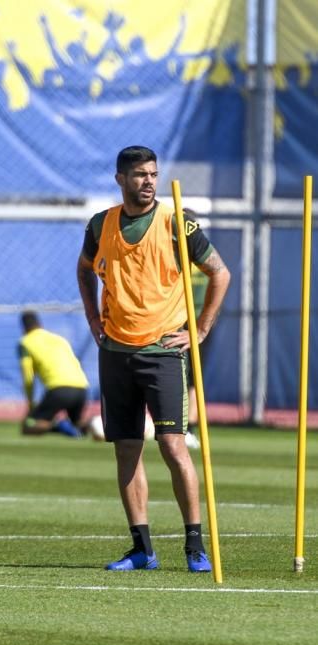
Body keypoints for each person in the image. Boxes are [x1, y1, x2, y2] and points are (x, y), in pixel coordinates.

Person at [76, 145, 230, 572]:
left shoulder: (177, 221)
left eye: (153, 174)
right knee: (126, 449)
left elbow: (220, 272)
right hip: (115, 351)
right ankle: (142, 548)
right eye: (140, 174)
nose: (148, 181)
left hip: (162, 350)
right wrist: (93, 316)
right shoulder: (99, 224)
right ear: (120, 179)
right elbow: (85, 267)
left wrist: (199, 330)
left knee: (172, 445)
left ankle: (195, 546)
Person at [18, 311, 88, 437]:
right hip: (81, 386)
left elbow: (28, 377)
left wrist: (30, 403)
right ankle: (95, 425)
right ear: (39, 324)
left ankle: (58, 426)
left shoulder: (25, 342)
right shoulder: (59, 339)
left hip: (58, 388)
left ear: (23, 327)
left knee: (27, 427)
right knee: (79, 424)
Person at [185, 252, 211, 450]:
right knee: (191, 378)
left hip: (190, 323)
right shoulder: (204, 258)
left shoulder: (194, 258)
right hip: (197, 322)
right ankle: (187, 427)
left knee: (192, 378)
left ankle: (188, 427)